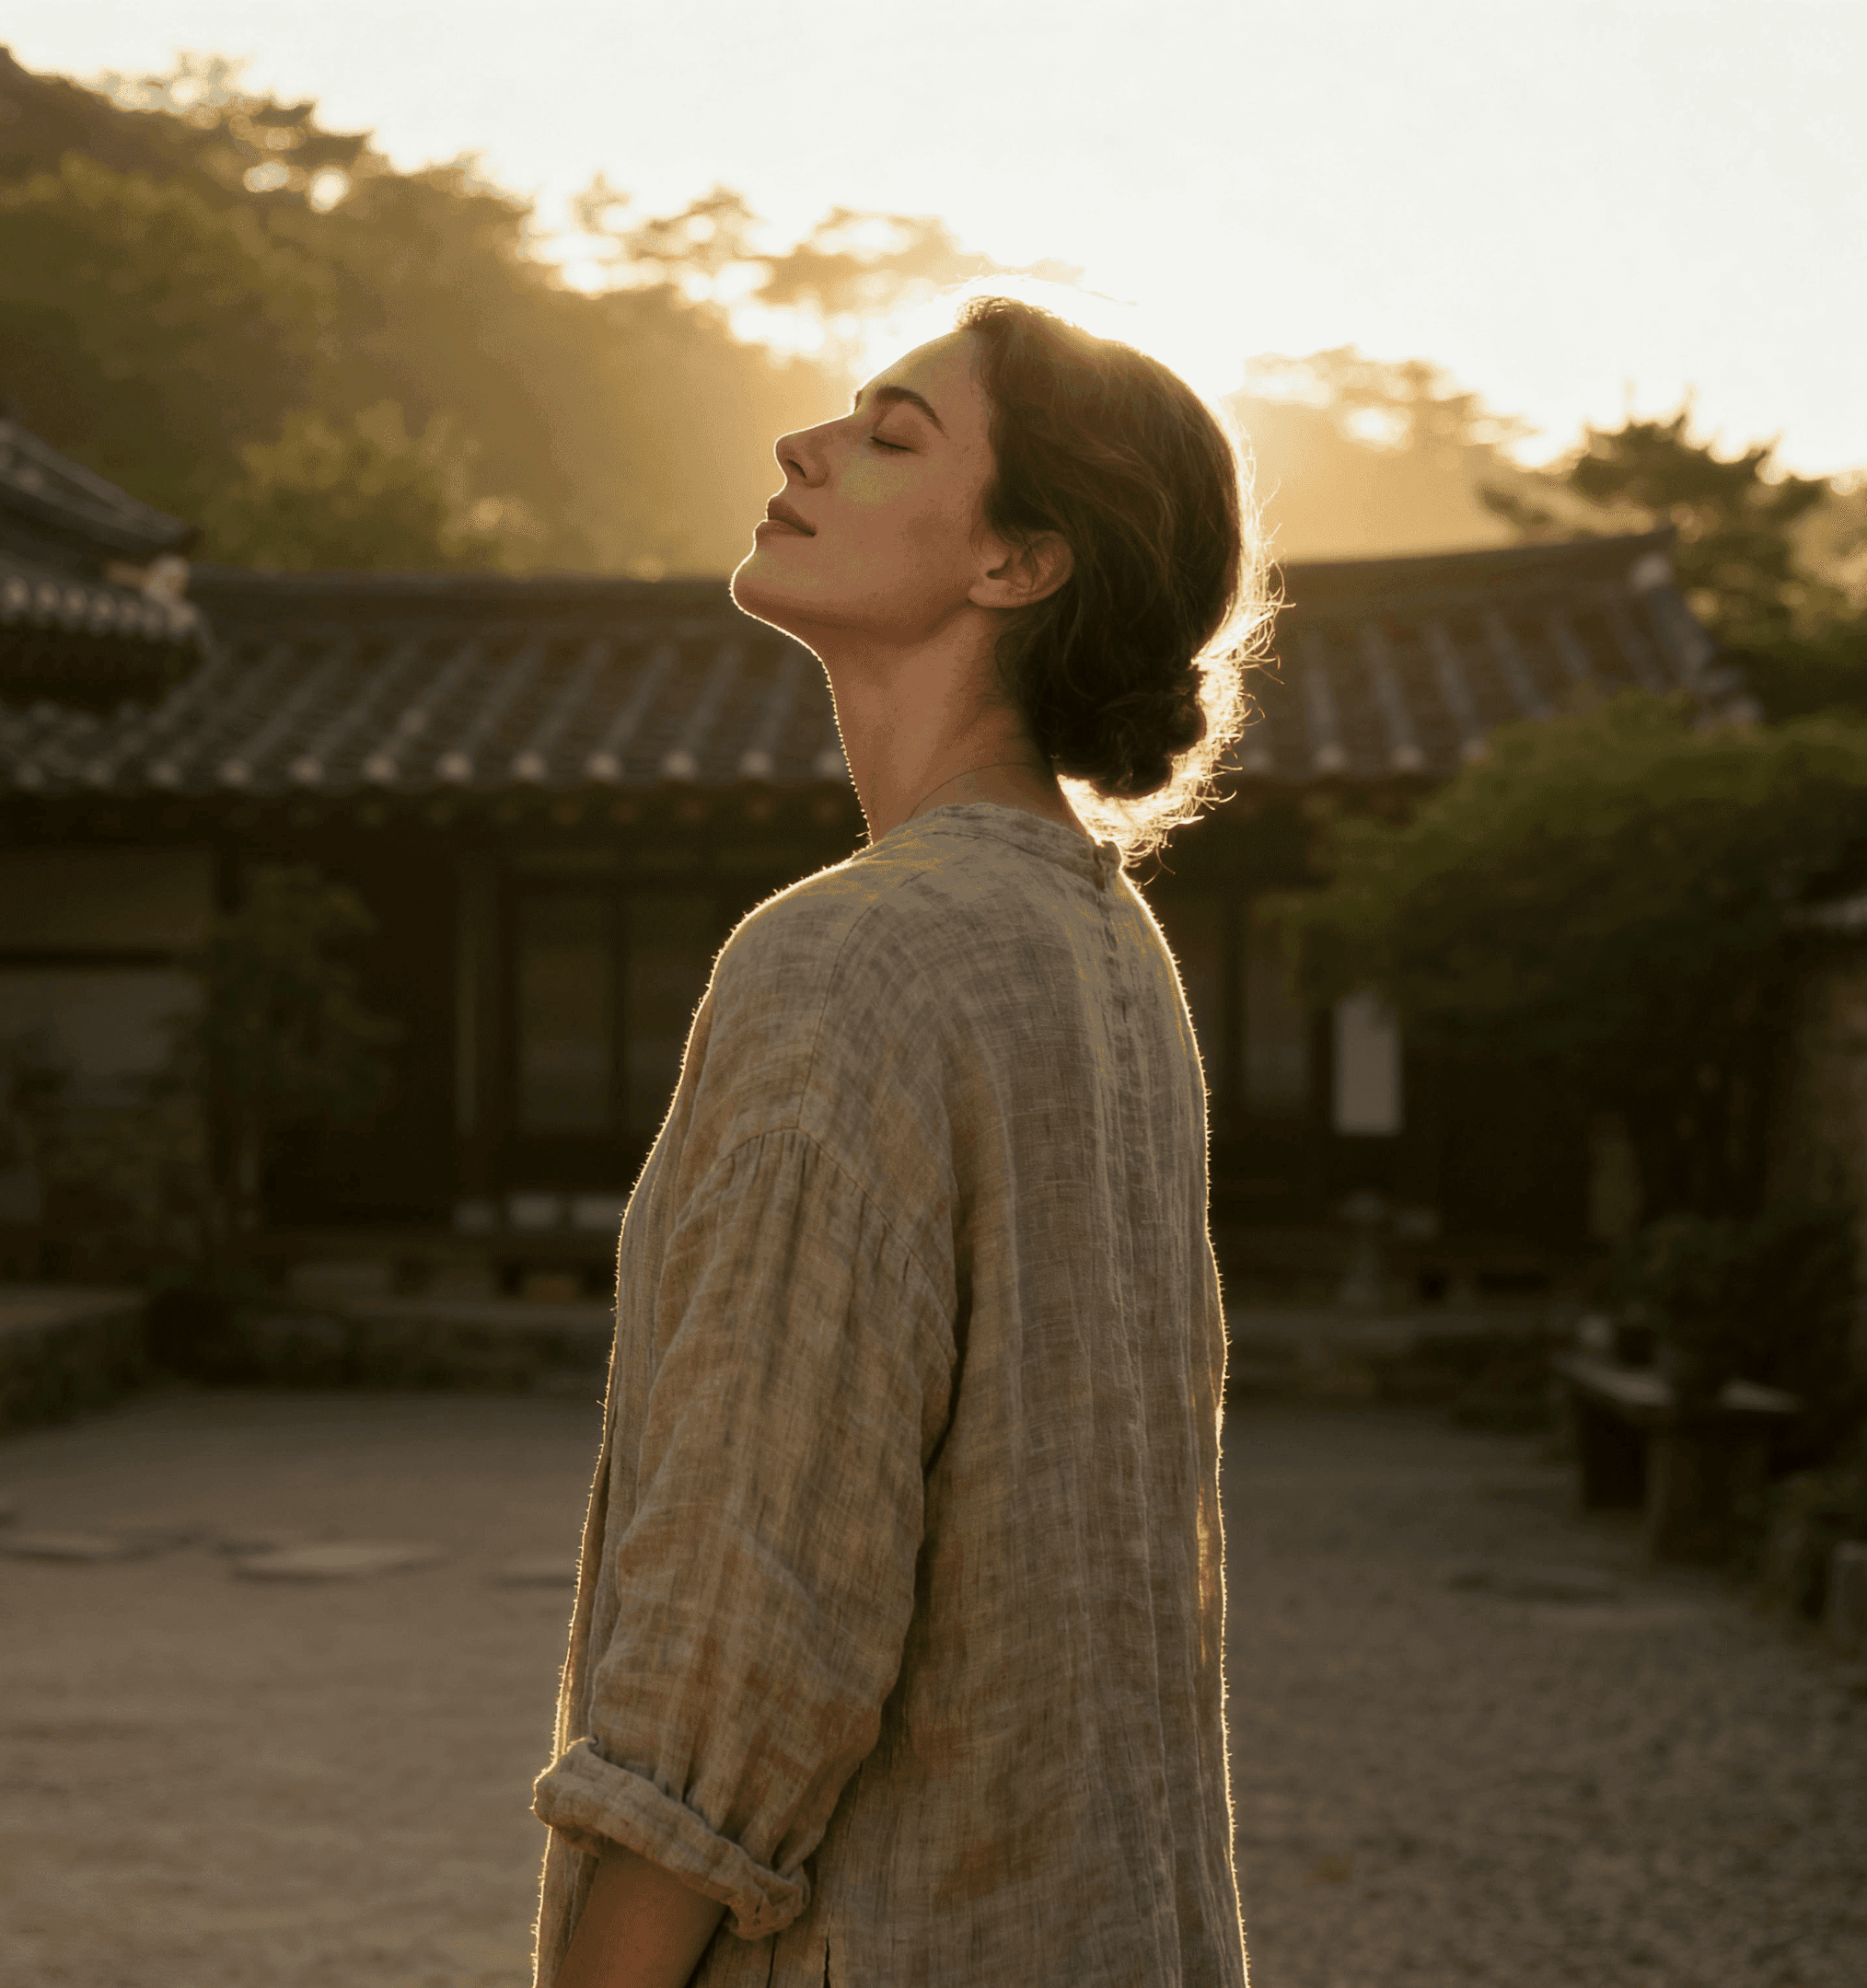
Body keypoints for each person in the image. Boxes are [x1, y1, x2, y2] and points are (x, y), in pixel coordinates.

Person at [528, 295, 1268, 1988]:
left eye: (892, 434)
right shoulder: (1106, 945)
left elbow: (760, 1602)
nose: (803, 447)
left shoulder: (853, 954)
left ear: (1018, 564)